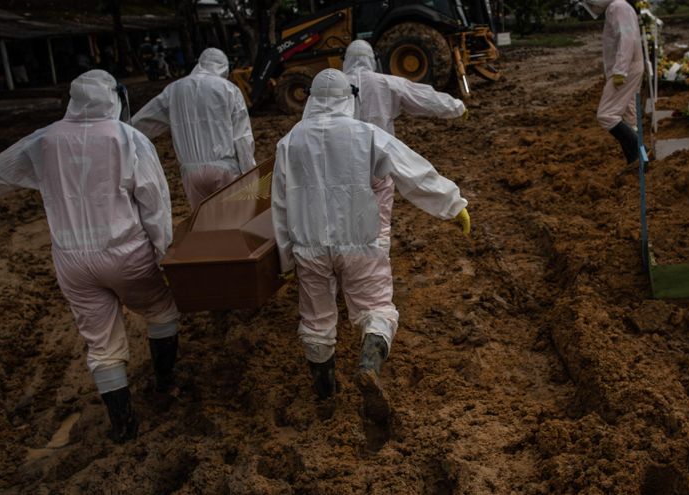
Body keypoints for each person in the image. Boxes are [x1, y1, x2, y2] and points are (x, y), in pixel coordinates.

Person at [0, 70, 179, 444]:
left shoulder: (46, 139)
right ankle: (165, 382)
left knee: (101, 345)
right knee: (161, 311)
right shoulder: (127, 137)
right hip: (126, 251)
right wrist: (163, 250)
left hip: (71, 259)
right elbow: (154, 201)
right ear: (114, 98)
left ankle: (124, 426)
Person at [271, 69, 471, 421]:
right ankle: (368, 364)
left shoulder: (290, 141)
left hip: (310, 246)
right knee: (377, 307)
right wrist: (452, 204)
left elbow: (280, 205)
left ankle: (326, 394)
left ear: (313, 98)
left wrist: (286, 260)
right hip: (360, 241)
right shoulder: (365, 134)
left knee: (317, 322)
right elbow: (412, 170)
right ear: (347, 97)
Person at [342, 39, 466, 251]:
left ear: (345, 60)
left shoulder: (331, 88)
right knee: (378, 216)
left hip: (341, 163)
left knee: (344, 213)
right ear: (372, 59)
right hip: (381, 160)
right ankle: (373, 256)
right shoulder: (387, 83)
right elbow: (426, 98)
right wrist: (456, 107)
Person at [132, 48, 255, 210]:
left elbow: (144, 120)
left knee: (204, 225)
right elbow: (242, 137)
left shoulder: (174, 90)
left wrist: (120, 133)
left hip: (190, 172)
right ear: (224, 67)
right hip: (224, 169)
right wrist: (251, 176)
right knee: (234, 221)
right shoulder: (229, 89)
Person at [582, 0, 644, 165]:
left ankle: (640, 155)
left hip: (626, 69)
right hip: (629, 67)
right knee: (629, 117)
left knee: (606, 114)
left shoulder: (617, 7)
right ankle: (635, 164)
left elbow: (627, 38)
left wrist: (620, 71)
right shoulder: (618, 6)